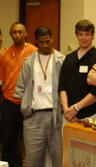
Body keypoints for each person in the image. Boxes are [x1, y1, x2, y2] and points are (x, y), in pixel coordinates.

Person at [14, 26, 65, 167]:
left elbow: (66, 89)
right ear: (36, 42)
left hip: (56, 118)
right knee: (33, 162)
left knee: (59, 161)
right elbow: (19, 89)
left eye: (47, 41)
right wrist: (26, 110)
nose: (45, 45)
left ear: (52, 39)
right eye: (41, 42)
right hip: (33, 119)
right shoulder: (28, 62)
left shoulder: (61, 60)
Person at [0, 22, 37, 167]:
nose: (17, 35)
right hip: (9, 102)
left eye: (20, 32)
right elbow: (1, 81)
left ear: (26, 33)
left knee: (30, 141)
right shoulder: (4, 54)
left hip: (29, 102)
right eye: (14, 32)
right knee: (8, 140)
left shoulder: (34, 52)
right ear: (10, 34)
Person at [59, 19, 96, 123]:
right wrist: (67, 110)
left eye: (87, 34)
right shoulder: (69, 58)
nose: (84, 38)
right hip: (68, 117)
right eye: (80, 34)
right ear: (76, 35)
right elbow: (62, 86)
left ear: (93, 35)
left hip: (90, 117)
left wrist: (76, 108)